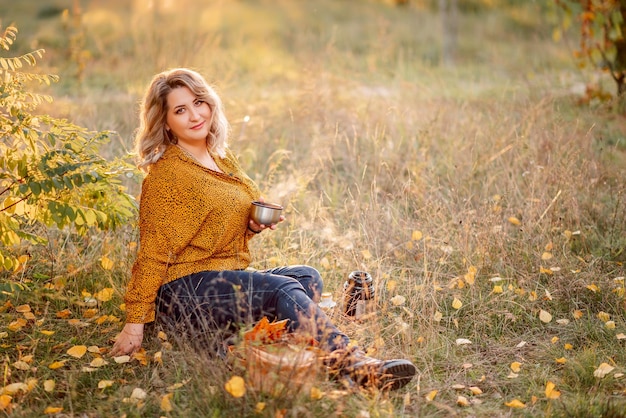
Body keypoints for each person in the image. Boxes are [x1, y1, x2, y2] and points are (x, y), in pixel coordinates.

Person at [110, 68, 416, 391]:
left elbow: (215, 225)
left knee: (307, 278)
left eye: (199, 102)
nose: (194, 115)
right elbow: (153, 251)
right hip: (183, 294)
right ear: (166, 122)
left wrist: (252, 225)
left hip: (220, 278)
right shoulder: (167, 175)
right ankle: (353, 364)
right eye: (180, 110)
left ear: (210, 103)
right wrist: (134, 323)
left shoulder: (220, 159)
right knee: (281, 291)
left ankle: (245, 343)